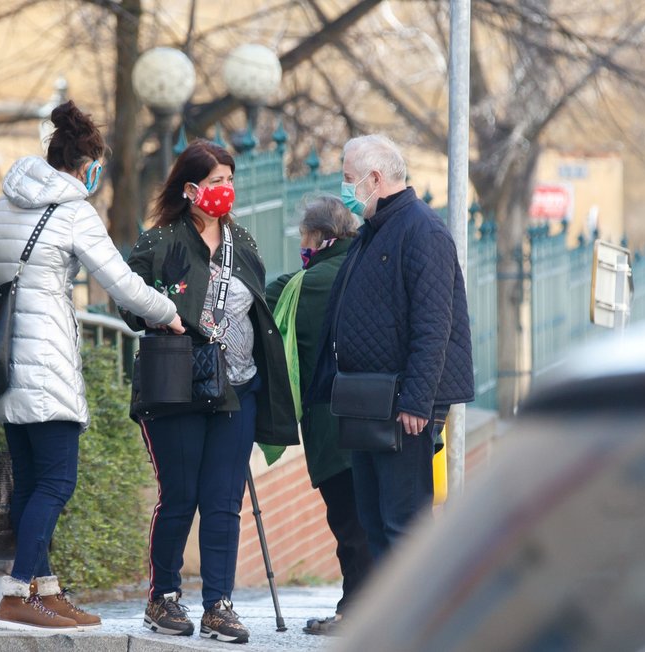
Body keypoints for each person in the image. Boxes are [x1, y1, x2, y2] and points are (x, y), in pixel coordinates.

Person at [0, 100, 185, 632]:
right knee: (57, 483)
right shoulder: (74, 211)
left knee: (33, 482)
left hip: (4, 370)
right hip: (50, 367)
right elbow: (122, 282)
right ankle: (17, 595)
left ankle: (46, 592)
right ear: (87, 166)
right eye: (97, 169)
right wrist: (169, 312)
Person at [120, 139, 298, 644]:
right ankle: (164, 597)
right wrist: (164, 306)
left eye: (230, 180)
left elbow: (255, 306)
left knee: (223, 500)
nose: (227, 190)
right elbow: (129, 307)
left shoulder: (243, 241)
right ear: (191, 187)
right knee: (181, 496)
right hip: (176, 387)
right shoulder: (160, 242)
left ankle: (219, 604)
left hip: (237, 388)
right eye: (217, 181)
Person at [308, 134, 474, 570]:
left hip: (403, 407)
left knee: (404, 525)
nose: (344, 188)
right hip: (367, 402)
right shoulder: (376, 230)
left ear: (374, 179)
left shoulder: (422, 230)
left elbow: (434, 325)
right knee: (375, 523)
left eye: (349, 178)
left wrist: (418, 401)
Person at [264, 195, 373, 636]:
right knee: (372, 519)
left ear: (320, 238)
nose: (301, 247)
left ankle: (357, 612)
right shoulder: (368, 269)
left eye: (304, 239)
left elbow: (265, 310)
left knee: (349, 523)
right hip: (381, 413)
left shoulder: (302, 285)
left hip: (331, 421)